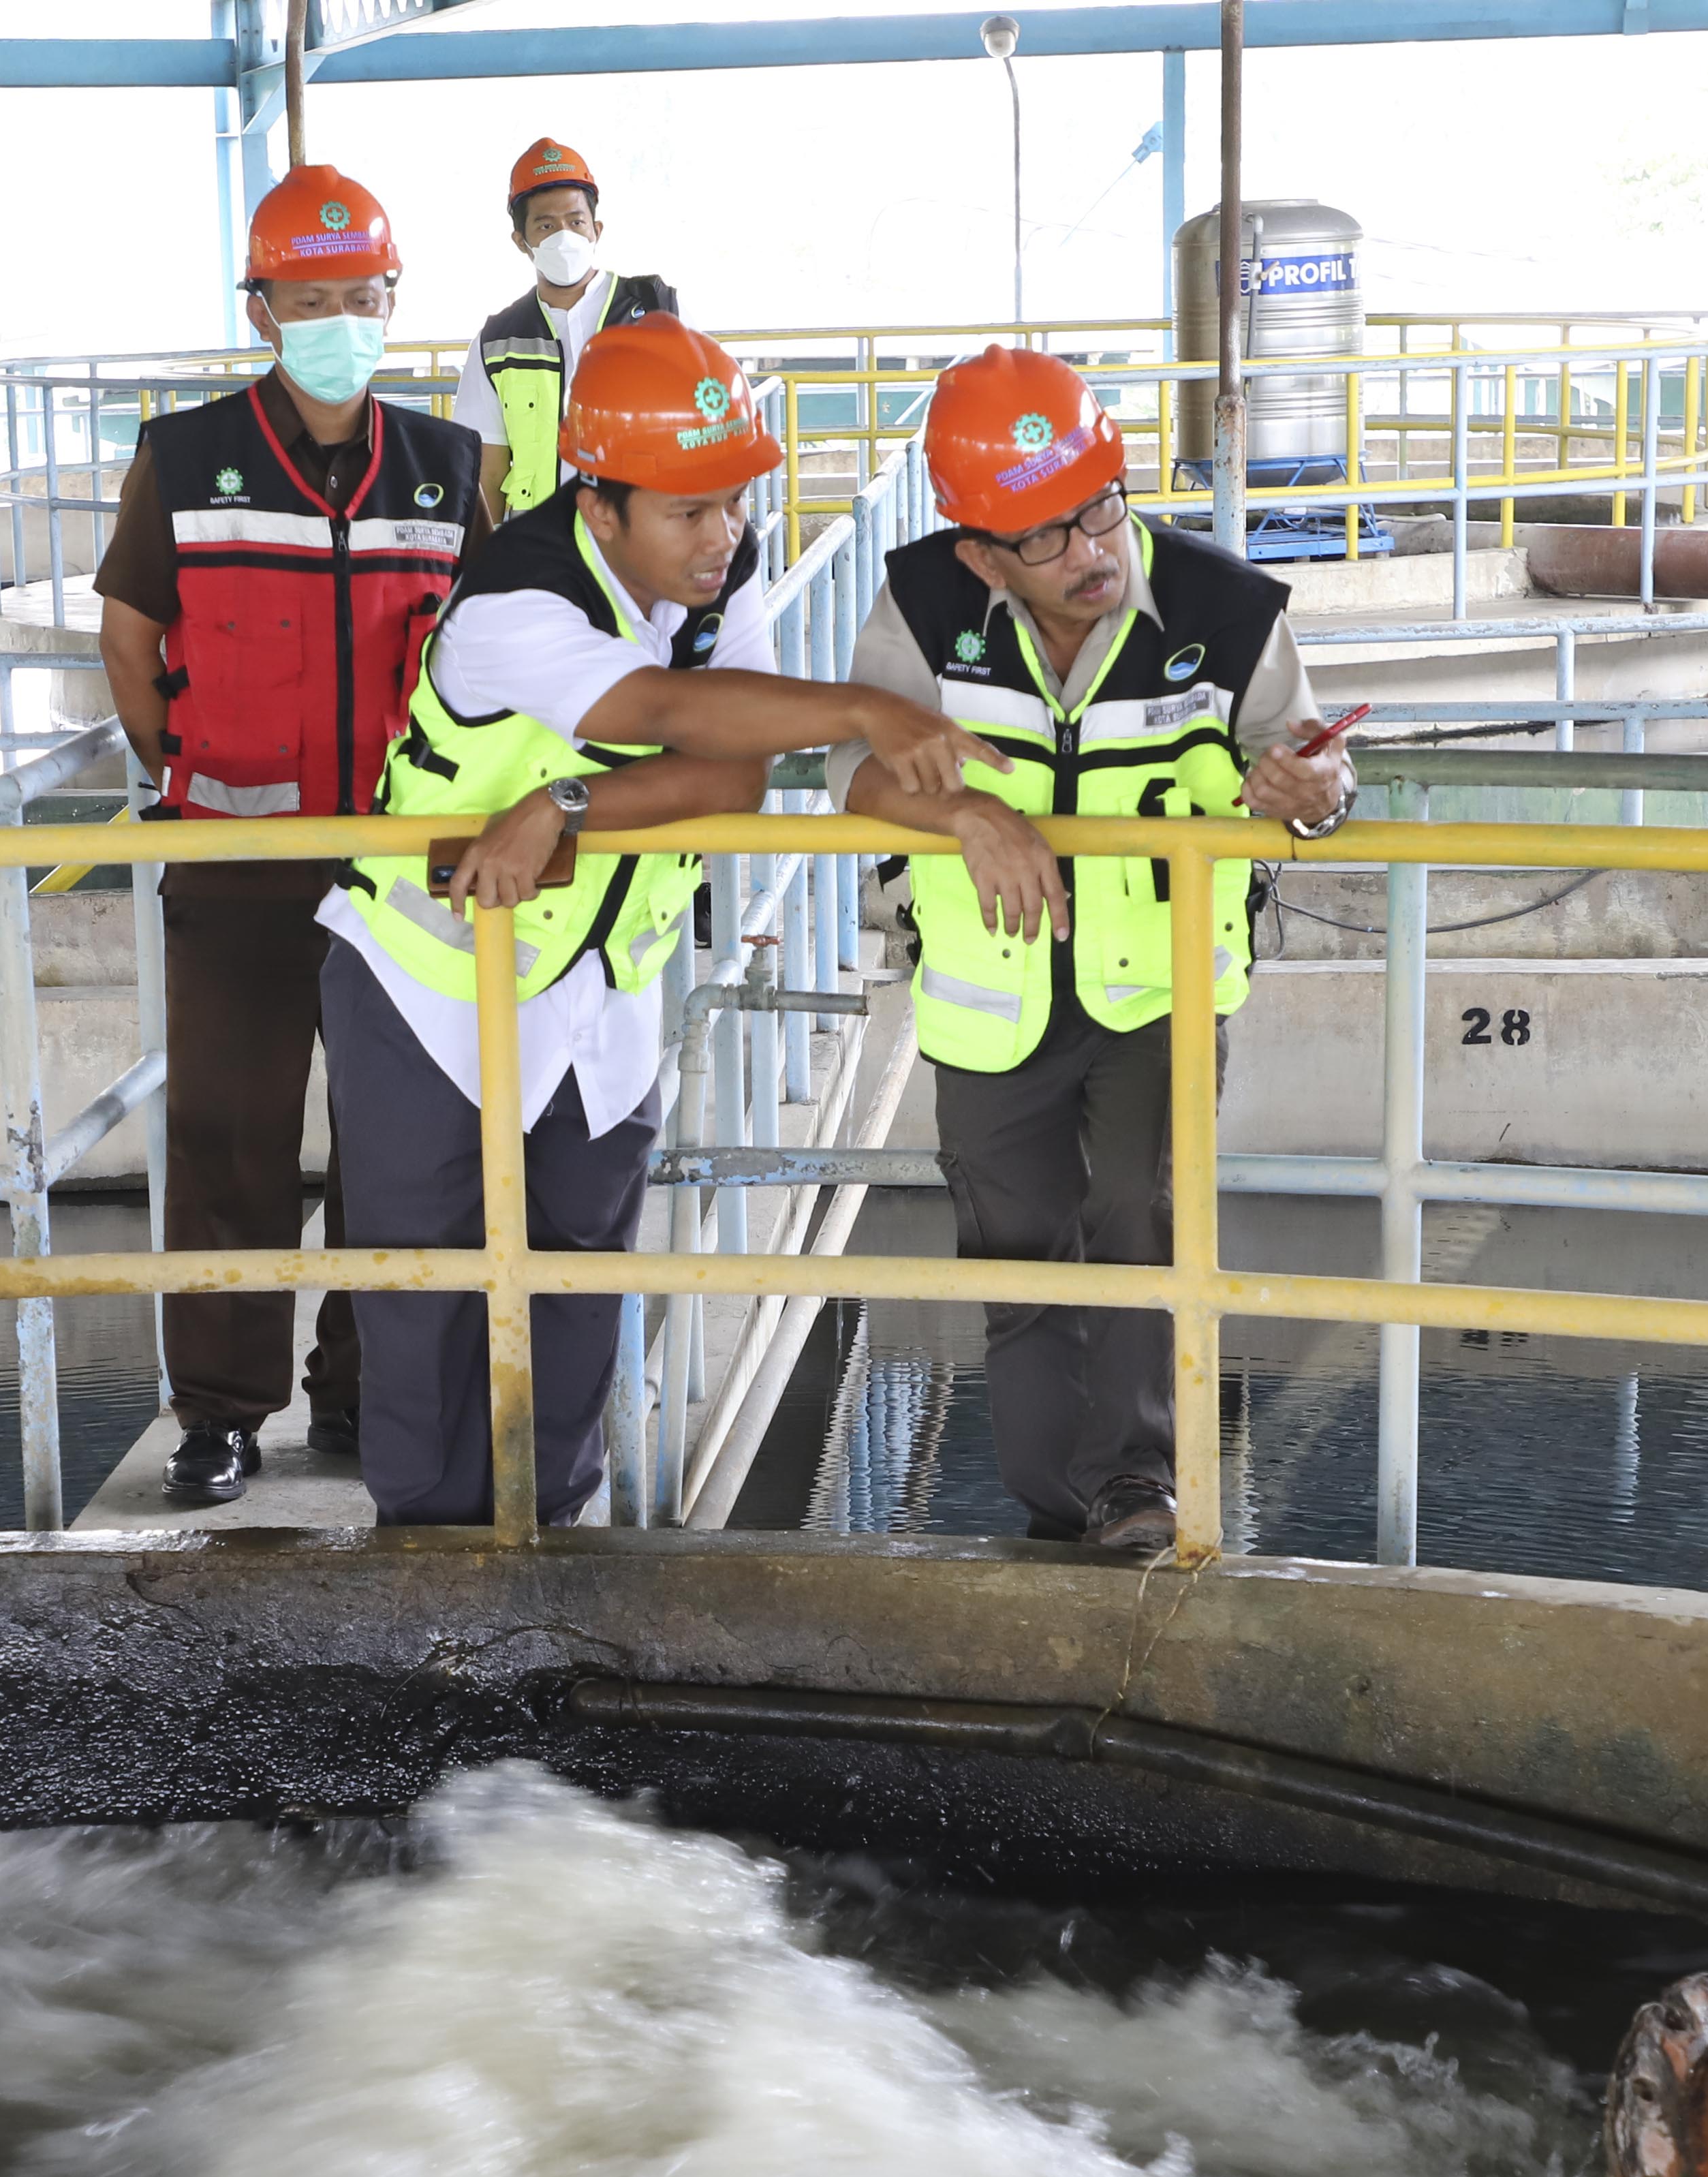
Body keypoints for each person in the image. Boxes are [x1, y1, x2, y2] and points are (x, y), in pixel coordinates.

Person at [322, 318, 995, 1529]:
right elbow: (665, 708)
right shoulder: (514, 597)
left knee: (583, 1276)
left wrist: (562, 803)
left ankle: (557, 1535)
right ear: (602, 499)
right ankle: (427, 1556)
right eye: (687, 510)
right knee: (425, 1283)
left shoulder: (713, 580)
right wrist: (857, 708)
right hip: (428, 980)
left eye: (733, 502)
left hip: (602, 990)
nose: (722, 534)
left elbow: (726, 777)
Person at [830, 345, 1354, 1556]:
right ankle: (1054, 1503)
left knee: (1139, 1214)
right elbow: (845, 775)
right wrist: (962, 811)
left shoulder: (1226, 611)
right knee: (1016, 1253)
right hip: (989, 991)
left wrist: (1312, 784)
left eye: (1103, 512)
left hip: (1158, 986)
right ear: (979, 552)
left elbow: (1318, 769)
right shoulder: (924, 608)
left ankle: (1135, 1488)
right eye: (1050, 540)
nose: (1093, 554)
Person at [93, 164, 482, 1506]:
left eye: (358, 297)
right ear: (261, 311)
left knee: (398, 1146)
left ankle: (364, 1396)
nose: (336, 319)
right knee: (228, 1145)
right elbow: (133, 646)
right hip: (236, 864)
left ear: (392, 301)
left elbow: (486, 663)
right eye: (307, 298)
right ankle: (218, 1416)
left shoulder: (445, 469)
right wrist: (195, 780)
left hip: (399, 877)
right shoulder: (184, 458)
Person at [459, 136, 681, 524]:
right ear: (522, 241)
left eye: (575, 222)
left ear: (596, 229)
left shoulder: (657, 312)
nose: (564, 236)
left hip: (638, 544)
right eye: (546, 225)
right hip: (537, 551)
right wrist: (482, 572)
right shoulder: (496, 343)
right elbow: (487, 473)